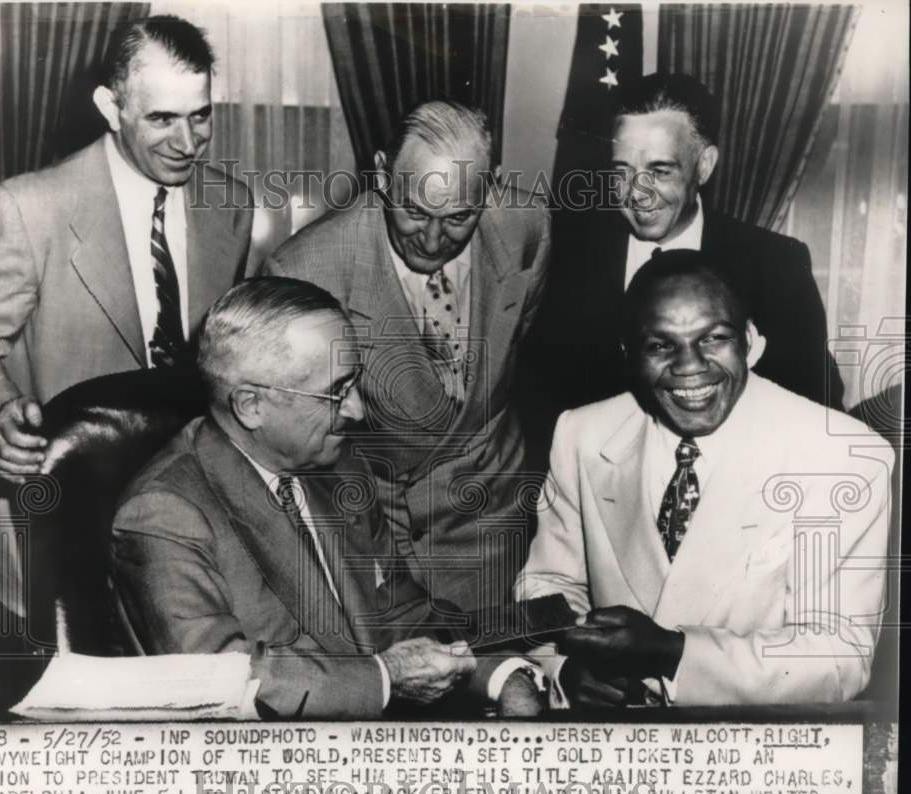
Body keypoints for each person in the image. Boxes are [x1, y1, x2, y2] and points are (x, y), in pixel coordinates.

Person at [0, 15, 253, 619]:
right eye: (161, 119)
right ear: (110, 105)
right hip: (56, 528)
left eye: (201, 114)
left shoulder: (230, 205)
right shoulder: (25, 209)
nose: (188, 142)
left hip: (188, 535)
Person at [111, 277, 546, 719]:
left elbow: (401, 615)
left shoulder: (339, 471)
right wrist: (384, 677)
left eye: (355, 382)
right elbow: (217, 680)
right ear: (250, 406)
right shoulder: (164, 513)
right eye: (336, 391)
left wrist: (499, 673)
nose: (357, 409)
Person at [516, 250, 891, 706]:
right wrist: (567, 669)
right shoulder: (581, 433)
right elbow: (546, 587)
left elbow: (838, 660)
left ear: (751, 341)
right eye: (660, 345)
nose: (689, 366)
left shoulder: (841, 455)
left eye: (713, 338)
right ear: (628, 354)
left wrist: (673, 653)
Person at [263, 100, 551, 613]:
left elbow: (517, 355)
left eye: (459, 216)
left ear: (492, 186)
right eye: (414, 210)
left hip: (501, 525)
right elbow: (296, 442)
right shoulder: (305, 270)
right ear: (380, 174)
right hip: (388, 541)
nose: (434, 239)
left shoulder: (527, 224)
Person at [526, 73, 843, 461]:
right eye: (622, 171)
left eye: (660, 171)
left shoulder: (775, 266)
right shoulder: (567, 257)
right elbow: (538, 402)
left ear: (704, 165)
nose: (637, 193)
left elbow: (815, 407)